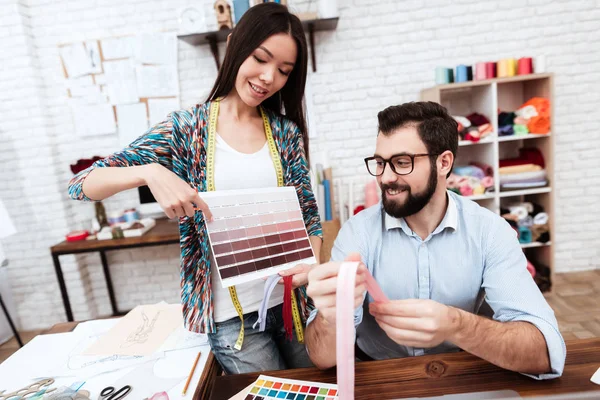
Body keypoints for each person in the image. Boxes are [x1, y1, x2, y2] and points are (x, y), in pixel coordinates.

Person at [68, 3, 322, 374]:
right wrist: (150, 172)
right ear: (236, 44)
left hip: (291, 305)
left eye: (284, 71)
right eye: (260, 58)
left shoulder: (285, 133)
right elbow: (82, 184)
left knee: (321, 391)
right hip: (231, 319)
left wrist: (309, 268)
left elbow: (310, 219)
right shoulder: (186, 129)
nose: (268, 77)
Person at [304, 101, 566, 379]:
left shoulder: (489, 231)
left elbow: (546, 352)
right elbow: (321, 358)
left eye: (402, 162)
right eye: (380, 163)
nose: (385, 177)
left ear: (443, 162)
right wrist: (330, 318)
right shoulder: (358, 233)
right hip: (377, 375)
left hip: (462, 374)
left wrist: (456, 324)